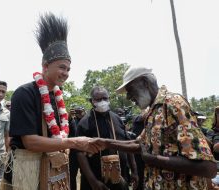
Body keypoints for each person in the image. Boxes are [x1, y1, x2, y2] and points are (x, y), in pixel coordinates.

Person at [9, 13, 101, 190]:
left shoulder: (57, 96)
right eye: (61, 67)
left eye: (68, 69)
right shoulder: (24, 93)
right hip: (30, 169)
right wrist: (74, 142)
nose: (66, 73)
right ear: (45, 66)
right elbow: (30, 142)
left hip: (55, 167)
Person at [96, 67, 217, 189]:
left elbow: (207, 168)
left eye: (130, 90)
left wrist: (152, 159)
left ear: (144, 83)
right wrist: (103, 142)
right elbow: (139, 144)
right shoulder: (153, 111)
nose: (128, 97)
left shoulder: (172, 104)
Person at [76, 86, 138, 190]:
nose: (102, 102)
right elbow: (80, 154)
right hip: (95, 181)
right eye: (98, 99)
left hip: (120, 177)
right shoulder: (84, 123)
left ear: (109, 99)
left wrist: (134, 171)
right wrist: (93, 181)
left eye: (105, 98)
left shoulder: (117, 118)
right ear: (91, 101)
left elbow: (128, 145)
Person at [68, 106, 86, 190]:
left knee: (85, 174)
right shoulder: (72, 121)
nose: (78, 114)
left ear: (84, 111)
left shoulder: (87, 121)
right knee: (72, 175)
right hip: (73, 153)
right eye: (76, 112)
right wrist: (68, 117)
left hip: (84, 152)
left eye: (80, 112)